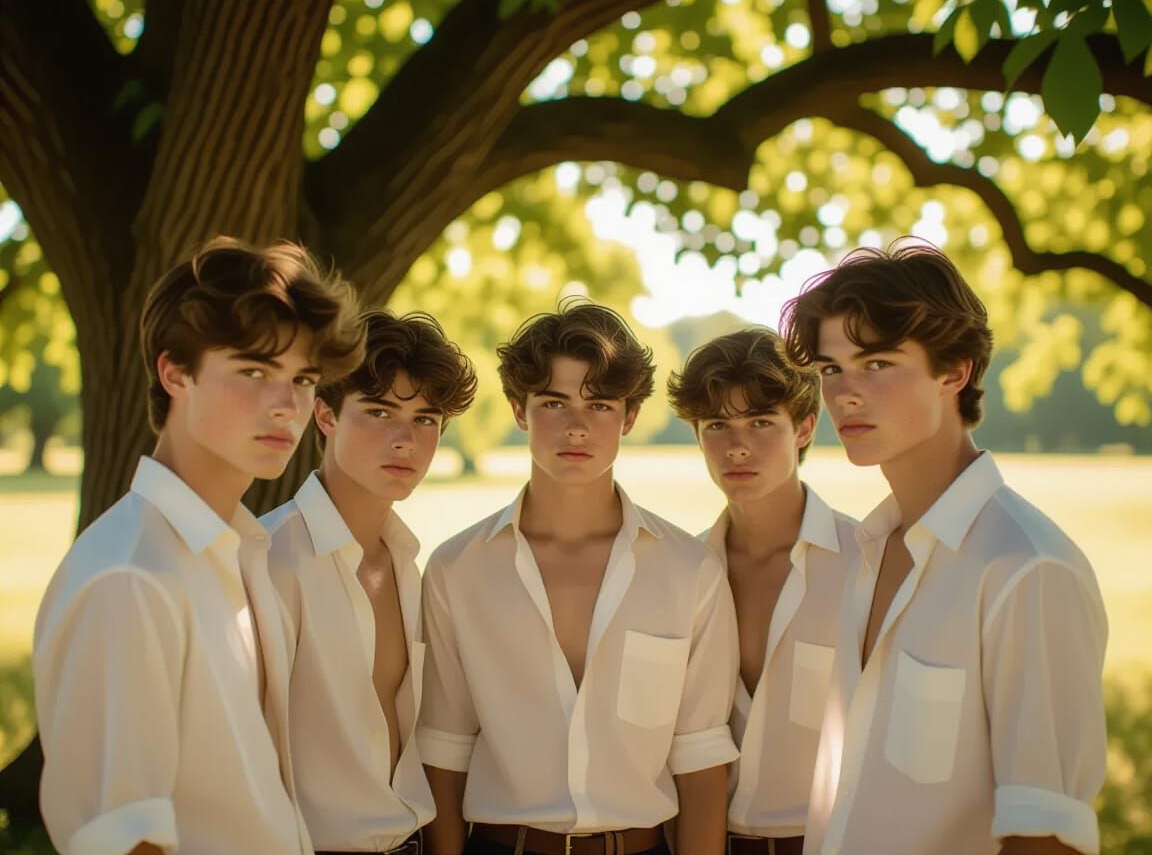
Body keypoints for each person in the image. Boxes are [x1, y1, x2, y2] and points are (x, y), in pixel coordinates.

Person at [33, 237, 364, 855]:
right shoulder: (132, 578)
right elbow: (123, 840)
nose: (286, 405)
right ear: (175, 372)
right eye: (253, 372)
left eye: (303, 379)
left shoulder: (241, 552)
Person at [780, 240, 1108, 855]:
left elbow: (1046, 838)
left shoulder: (1026, 569)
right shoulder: (866, 550)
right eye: (830, 369)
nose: (844, 393)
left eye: (877, 363)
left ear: (954, 371)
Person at [419, 301, 739, 855]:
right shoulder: (456, 569)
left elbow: (702, 760)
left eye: (599, 405)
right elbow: (444, 753)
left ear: (630, 417)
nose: (576, 427)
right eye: (553, 402)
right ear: (520, 410)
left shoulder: (691, 572)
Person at [263, 310, 477, 855]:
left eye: (426, 419)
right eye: (380, 411)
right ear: (325, 415)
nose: (405, 439)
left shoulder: (409, 565)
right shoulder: (268, 558)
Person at [667, 328, 857, 855]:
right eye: (717, 425)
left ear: (804, 428)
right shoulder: (675, 573)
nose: (738, 445)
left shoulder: (869, 563)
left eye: (761, 422)